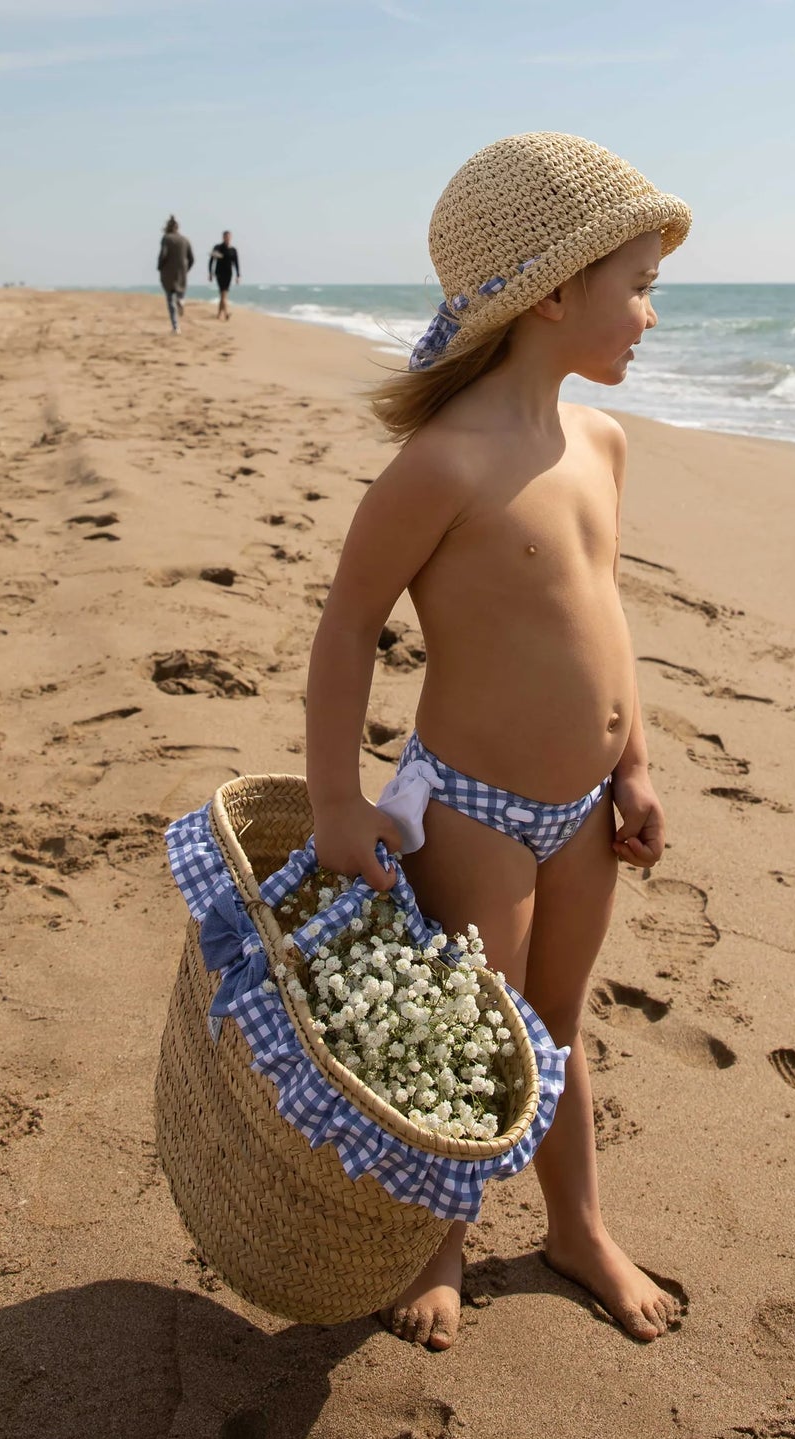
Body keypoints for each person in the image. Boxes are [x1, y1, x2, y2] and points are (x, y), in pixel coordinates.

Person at [305, 132, 691, 1350]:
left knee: (558, 1024)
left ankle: (575, 1223)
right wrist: (333, 798)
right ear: (554, 289)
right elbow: (347, 628)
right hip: (469, 806)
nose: (644, 313)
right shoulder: (443, 464)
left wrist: (630, 762)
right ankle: (440, 1241)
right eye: (635, 286)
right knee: (480, 1033)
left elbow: (604, 612)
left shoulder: (600, 445)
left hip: (580, 806)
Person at [157, 216, 194, 332]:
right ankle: (181, 301)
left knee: (170, 299)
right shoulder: (185, 240)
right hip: (181, 271)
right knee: (180, 292)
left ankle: (176, 326)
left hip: (168, 272)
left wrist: (159, 267)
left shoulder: (166, 238)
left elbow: (163, 254)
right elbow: (192, 258)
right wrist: (186, 269)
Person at [209, 230, 241, 320]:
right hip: (219, 273)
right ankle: (226, 314)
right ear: (223, 237)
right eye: (225, 236)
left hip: (228, 274)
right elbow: (212, 260)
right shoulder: (218, 247)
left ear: (231, 237)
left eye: (229, 236)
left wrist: (238, 275)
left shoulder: (233, 250)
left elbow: (236, 263)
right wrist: (210, 273)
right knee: (223, 294)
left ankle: (219, 314)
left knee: (223, 294)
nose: (227, 238)